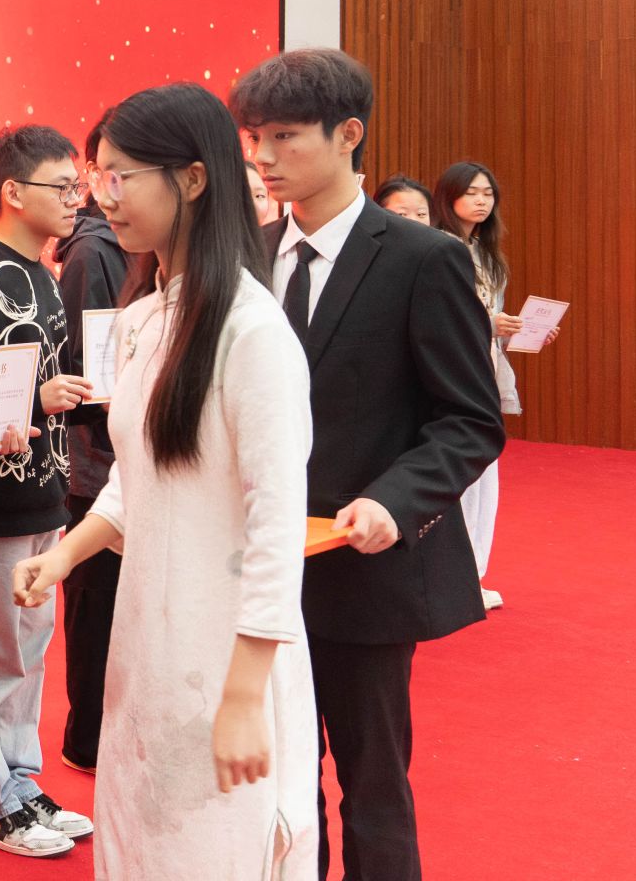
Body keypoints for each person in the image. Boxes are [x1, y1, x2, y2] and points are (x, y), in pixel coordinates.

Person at [12, 83, 318, 879]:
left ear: (192, 179)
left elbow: (278, 522)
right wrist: (66, 555)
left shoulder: (252, 332)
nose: (103, 197)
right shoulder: (145, 317)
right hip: (149, 639)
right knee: (140, 840)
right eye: (98, 177)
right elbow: (139, 476)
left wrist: (245, 693)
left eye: (121, 176)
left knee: (215, 850)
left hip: (226, 651)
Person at [230, 50, 504, 881]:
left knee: (372, 783)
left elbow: (469, 419)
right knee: (275, 784)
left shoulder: (425, 258)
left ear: (348, 134)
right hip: (256, 565)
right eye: (255, 138)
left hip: (364, 563)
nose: (265, 157)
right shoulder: (244, 257)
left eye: (285, 136)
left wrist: (395, 501)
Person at [0, 124, 94, 857]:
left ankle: (20, 785)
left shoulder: (43, 272)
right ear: (12, 191)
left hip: (45, 494)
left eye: (77, 186)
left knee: (30, 653)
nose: (76, 200)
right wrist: (37, 400)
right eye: (62, 187)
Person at [56, 112, 130, 777]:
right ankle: (87, 740)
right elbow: (88, 364)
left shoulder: (137, 247)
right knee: (96, 610)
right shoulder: (93, 253)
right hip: (99, 463)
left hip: (129, 459)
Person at [432, 161, 520, 611]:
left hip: (482, 370)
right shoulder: (439, 247)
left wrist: (516, 331)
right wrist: (489, 323)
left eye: (488, 193)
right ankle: (457, 576)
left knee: (486, 477)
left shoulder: (484, 252)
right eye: (471, 192)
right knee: (463, 475)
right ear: (448, 198)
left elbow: (487, 316)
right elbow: (443, 318)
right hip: (452, 376)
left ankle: (472, 573)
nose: (482, 200)